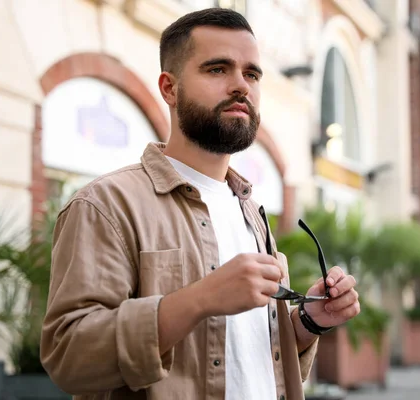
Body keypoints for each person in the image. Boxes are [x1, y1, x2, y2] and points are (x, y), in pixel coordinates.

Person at [40, 7, 360, 400]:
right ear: (169, 88)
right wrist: (200, 299)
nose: (241, 85)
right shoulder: (106, 205)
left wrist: (308, 322)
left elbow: (249, 359)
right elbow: (69, 358)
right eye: (217, 69)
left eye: (252, 74)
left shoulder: (251, 212)